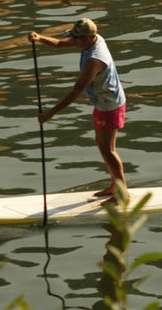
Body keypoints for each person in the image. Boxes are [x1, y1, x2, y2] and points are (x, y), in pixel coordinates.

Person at [28, 18, 127, 198]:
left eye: (77, 38)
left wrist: (51, 113)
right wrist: (39, 38)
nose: (74, 41)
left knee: (108, 149)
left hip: (110, 105)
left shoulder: (94, 61)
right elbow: (59, 43)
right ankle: (115, 185)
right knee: (101, 144)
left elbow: (75, 92)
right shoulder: (91, 39)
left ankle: (122, 193)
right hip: (102, 102)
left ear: (88, 38)